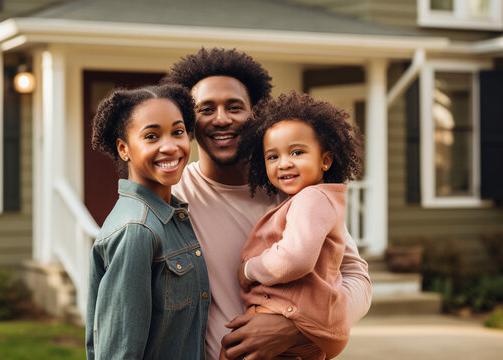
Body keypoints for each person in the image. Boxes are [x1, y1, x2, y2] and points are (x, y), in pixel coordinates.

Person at [162, 48, 372, 360]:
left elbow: (357, 279)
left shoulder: (295, 190)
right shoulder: (173, 195)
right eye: (206, 109)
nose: (222, 119)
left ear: (254, 114)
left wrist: (295, 327)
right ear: (189, 119)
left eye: (234, 107)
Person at [230, 92, 364, 360]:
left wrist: (248, 270)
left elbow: (294, 259)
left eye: (297, 152)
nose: (285, 163)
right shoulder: (308, 201)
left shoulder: (312, 198)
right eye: (273, 157)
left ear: (325, 160)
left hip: (291, 318)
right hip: (299, 324)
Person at [85, 84, 211, 360]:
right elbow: (119, 352)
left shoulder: (171, 216)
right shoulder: (136, 230)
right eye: (152, 136)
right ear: (124, 148)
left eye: (178, 132)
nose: (170, 146)